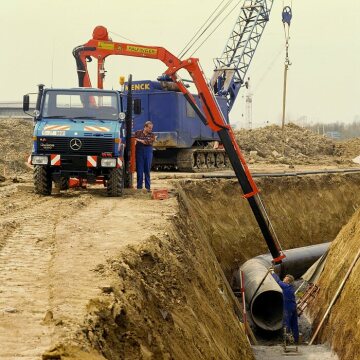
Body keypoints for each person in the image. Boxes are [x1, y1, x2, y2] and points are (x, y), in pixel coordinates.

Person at [270, 269, 299, 344]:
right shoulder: (291, 287)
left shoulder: (285, 286)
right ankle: (296, 340)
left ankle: (287, 341)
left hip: (288, 307)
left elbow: (278, 281)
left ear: (288, 281)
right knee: (294, 323)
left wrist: (272, 273)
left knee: (287, 322)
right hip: (293, 306)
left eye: (285, 279)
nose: (283, 279)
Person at [134, 121, 156, 191]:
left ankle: (147, 188)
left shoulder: (152, 135)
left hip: (148, 153)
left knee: (147, 170)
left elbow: (147, 142)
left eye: (151, 128)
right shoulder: (138, 133)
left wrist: (138, 140)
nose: (151, 129)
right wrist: (137, 140)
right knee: (139, 170)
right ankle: (139, 188)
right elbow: (132, 139)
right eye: (149, 128)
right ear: (145, 127)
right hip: (139, 153)